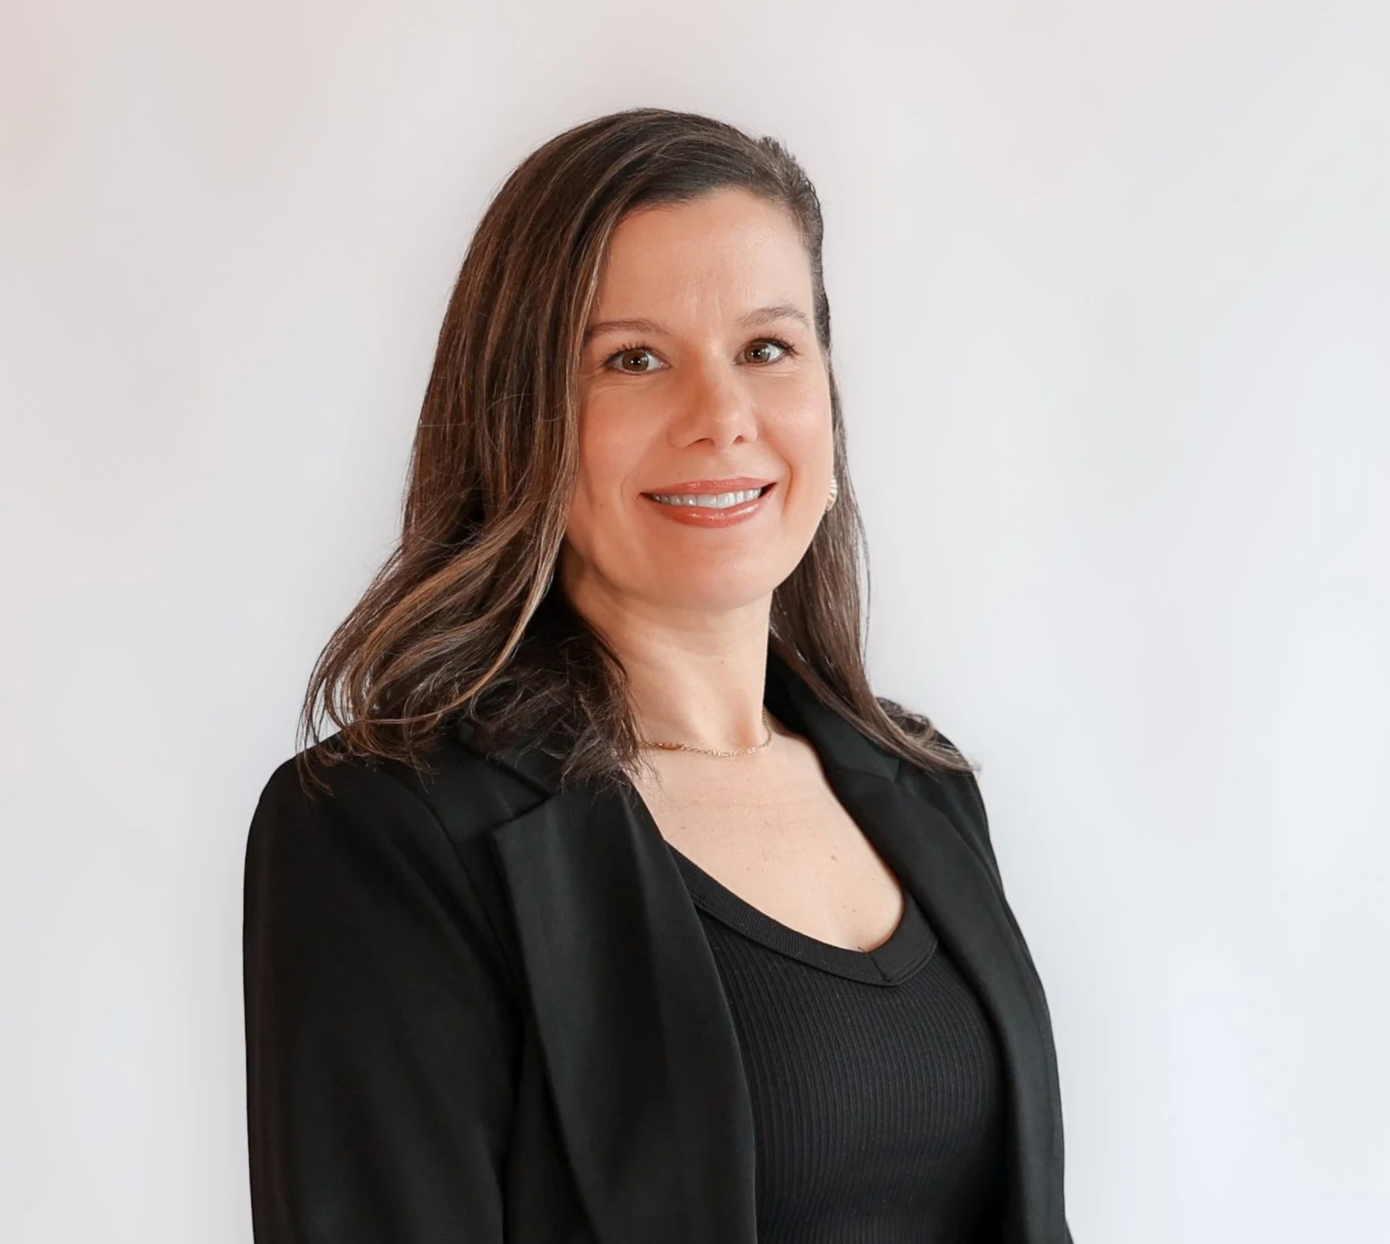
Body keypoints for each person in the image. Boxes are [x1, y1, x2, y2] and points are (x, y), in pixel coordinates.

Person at [242, 106, 1074, 1244]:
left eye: (766, 348)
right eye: (632, 359)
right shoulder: (382, 830)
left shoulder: (918, 783)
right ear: (518, 417)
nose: (721, 417)